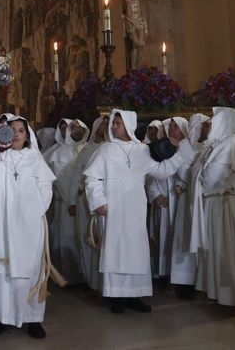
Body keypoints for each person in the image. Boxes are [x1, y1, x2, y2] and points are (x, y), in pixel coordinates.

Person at [83, 109, 196, 313]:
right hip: (112, 206)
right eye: (114, 123)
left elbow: (160, 172)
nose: (113, 126)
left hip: (135, 206)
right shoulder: (105, 150)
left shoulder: (142, 150)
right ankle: (116, 297)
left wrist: (177, 156)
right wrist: (98, 200)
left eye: (118, 123)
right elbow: (92, 178)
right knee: (115, 249)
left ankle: (134, 295)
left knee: (135, 250)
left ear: (128, 125)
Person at [0, 114, 56, 338]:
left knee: (30, 270)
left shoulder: (35, 157)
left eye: (21, 130)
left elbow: (46, 189)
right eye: (11, 129)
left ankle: (32, 318)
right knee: (0, 270)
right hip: (2, 221)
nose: (15, 133)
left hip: (29, 224)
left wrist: (33, 212)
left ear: (27, 135)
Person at [192, 107, 235, 311]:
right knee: (217, 252)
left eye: (214, 121)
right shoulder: (217, 145)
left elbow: (208, 177)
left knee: (230, 253)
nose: (210, 125)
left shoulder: (230, 144)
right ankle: (221, 294)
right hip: (215, 202)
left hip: (226, 204)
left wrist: (200, 173)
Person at [44, 119, 89, 285]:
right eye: (73, 127)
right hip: (66, 202)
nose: (77, 130)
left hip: (84, 201)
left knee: (84, 237)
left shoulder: (89, 149)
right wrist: (70, 199)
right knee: (68, 236)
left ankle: (85, 276)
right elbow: (59, 179)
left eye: (80, 127)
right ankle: (69, 275)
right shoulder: (59, 152)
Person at [169, 113, 210, 296]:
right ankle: (184, 282)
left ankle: (204, 279)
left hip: (205, 199)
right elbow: (182, 170)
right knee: (186, 237)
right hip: (189, 199)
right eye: (206, 125)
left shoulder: (210, 145)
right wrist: (199, 172)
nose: (209, 128)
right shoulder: (184, 147)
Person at [69, 115, 109, 291]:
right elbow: (77, 176)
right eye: (103, 125)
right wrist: (72, 200)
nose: (105, 128)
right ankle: (92, 281)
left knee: (106, 242)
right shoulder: (88, 149)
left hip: (108, 201)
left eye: (108, 125)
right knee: (90, 239)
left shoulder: (112, 149)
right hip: (87, 200)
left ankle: (105, 283)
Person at [146, 117, 188, 282]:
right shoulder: (160, 146)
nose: (171, 129)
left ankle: (179, 276)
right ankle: (162, 272)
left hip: (181, 200)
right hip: (162, 198)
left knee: (179, 238)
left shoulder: (190, 148)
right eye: (169, 126)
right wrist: (155, 194)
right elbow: (150, 173)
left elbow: (191, 172)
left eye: (176, 126)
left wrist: (182, 184)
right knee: (161, 235)